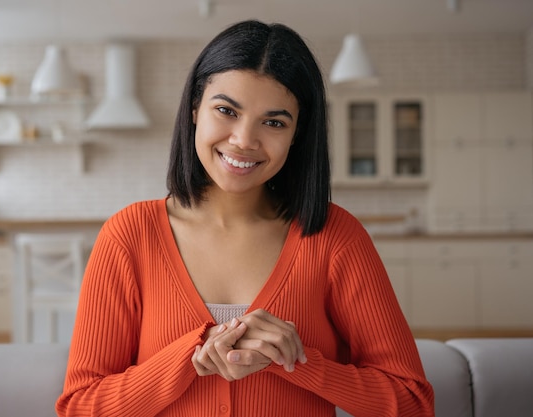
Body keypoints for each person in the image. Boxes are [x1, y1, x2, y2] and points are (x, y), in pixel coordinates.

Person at [55, 20, 434, 417]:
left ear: (297, 134)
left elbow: (412, 402)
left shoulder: (335, 237)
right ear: (194, 109)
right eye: (226, 110)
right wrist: (191, 358)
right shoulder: (129, 235)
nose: (244, 140)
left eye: (274, 122)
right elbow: (80, 407)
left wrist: (300, 363)